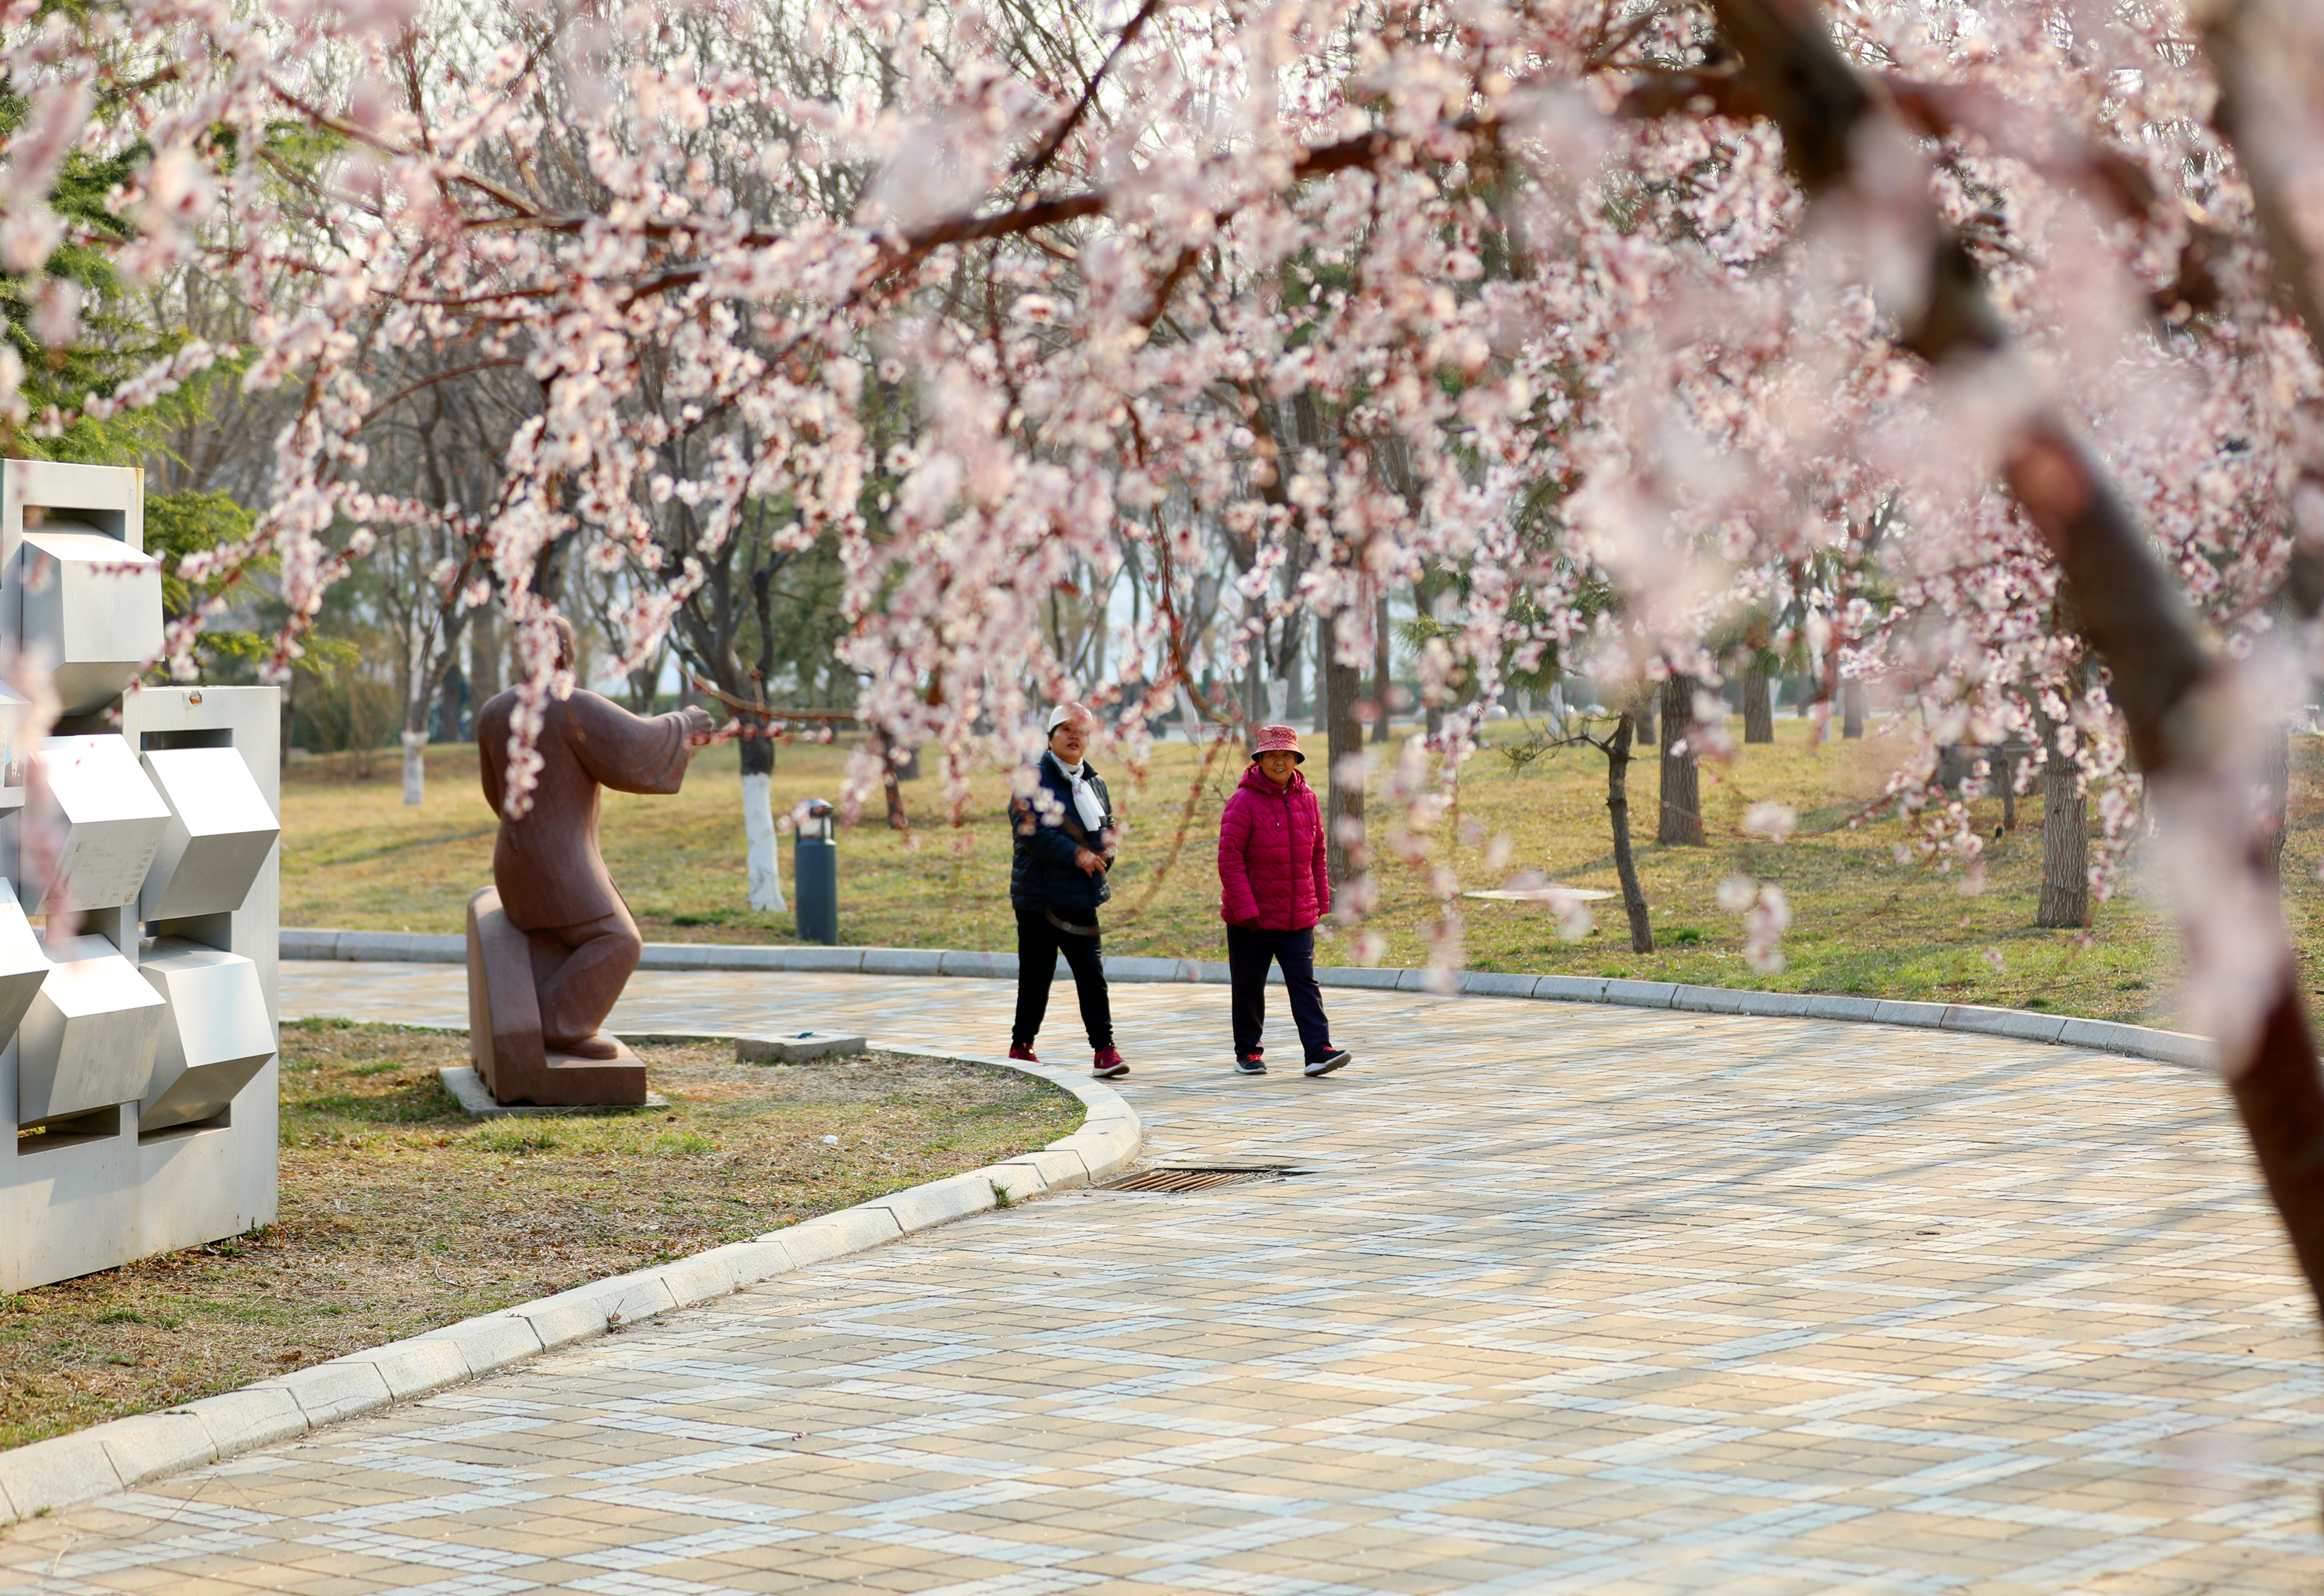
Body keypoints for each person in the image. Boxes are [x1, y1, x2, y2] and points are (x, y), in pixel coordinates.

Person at [476, 616, 713, 1058]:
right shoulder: (571, 706)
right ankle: (561, 1024)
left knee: (569, 936)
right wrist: (686, 723)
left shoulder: (493, 711)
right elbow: (635, 746)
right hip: (559, 863)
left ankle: (543, 1021)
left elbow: (495, 793)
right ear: (564, 651)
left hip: (512, 861)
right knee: (619, 941)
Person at [1217, 726, 1352, 1078]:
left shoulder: (1307, 798)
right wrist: (1246, 908)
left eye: (1287, 755)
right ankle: (1248, 1053)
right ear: (1260, 760)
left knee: (1304, 982)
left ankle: (1318, 1051)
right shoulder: (1243, 801)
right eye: (1273, 755)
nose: (1280, 761)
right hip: (1252, 918)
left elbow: (1317, 851)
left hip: (1297, 913)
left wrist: (1320, 898)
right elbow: (1229, 858)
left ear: (1296, 760)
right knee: (1249, 986)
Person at [1009, 703, 1127, 1078]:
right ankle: (1021, 1046)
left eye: (1082, 732)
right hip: (1039, 899)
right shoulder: (1032, 778)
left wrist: (1105, 854)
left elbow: (1108, 829)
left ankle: (1105, 1051)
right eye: (1066, 730)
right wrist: (1078, 855)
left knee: (1091, 974)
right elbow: (1030, 830)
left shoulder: (1094, 782)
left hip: (1079, 897)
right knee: (1036, 975)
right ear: (1050, 738)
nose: (1074, 737)